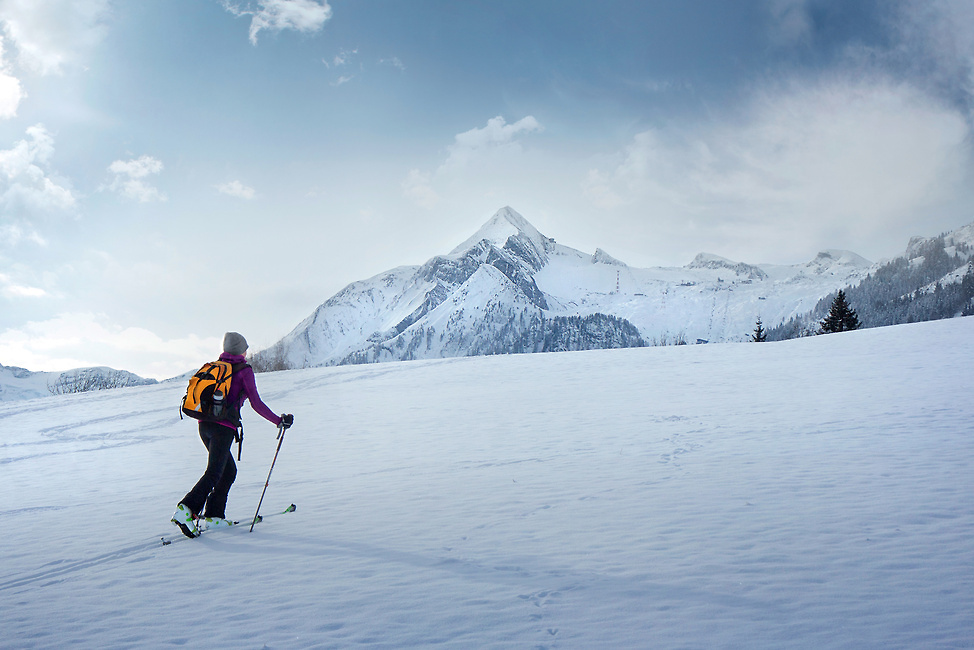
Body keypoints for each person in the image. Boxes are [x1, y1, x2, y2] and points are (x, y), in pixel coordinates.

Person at [171, 332, 293, 538]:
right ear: (241, 350)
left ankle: (214, 516)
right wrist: (278, 421)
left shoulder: (216, 367)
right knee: (214, 473)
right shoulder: (243, 370)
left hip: (204, 426)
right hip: (223, 428)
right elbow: (256, 402)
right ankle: (186, 509)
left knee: (228, 471)